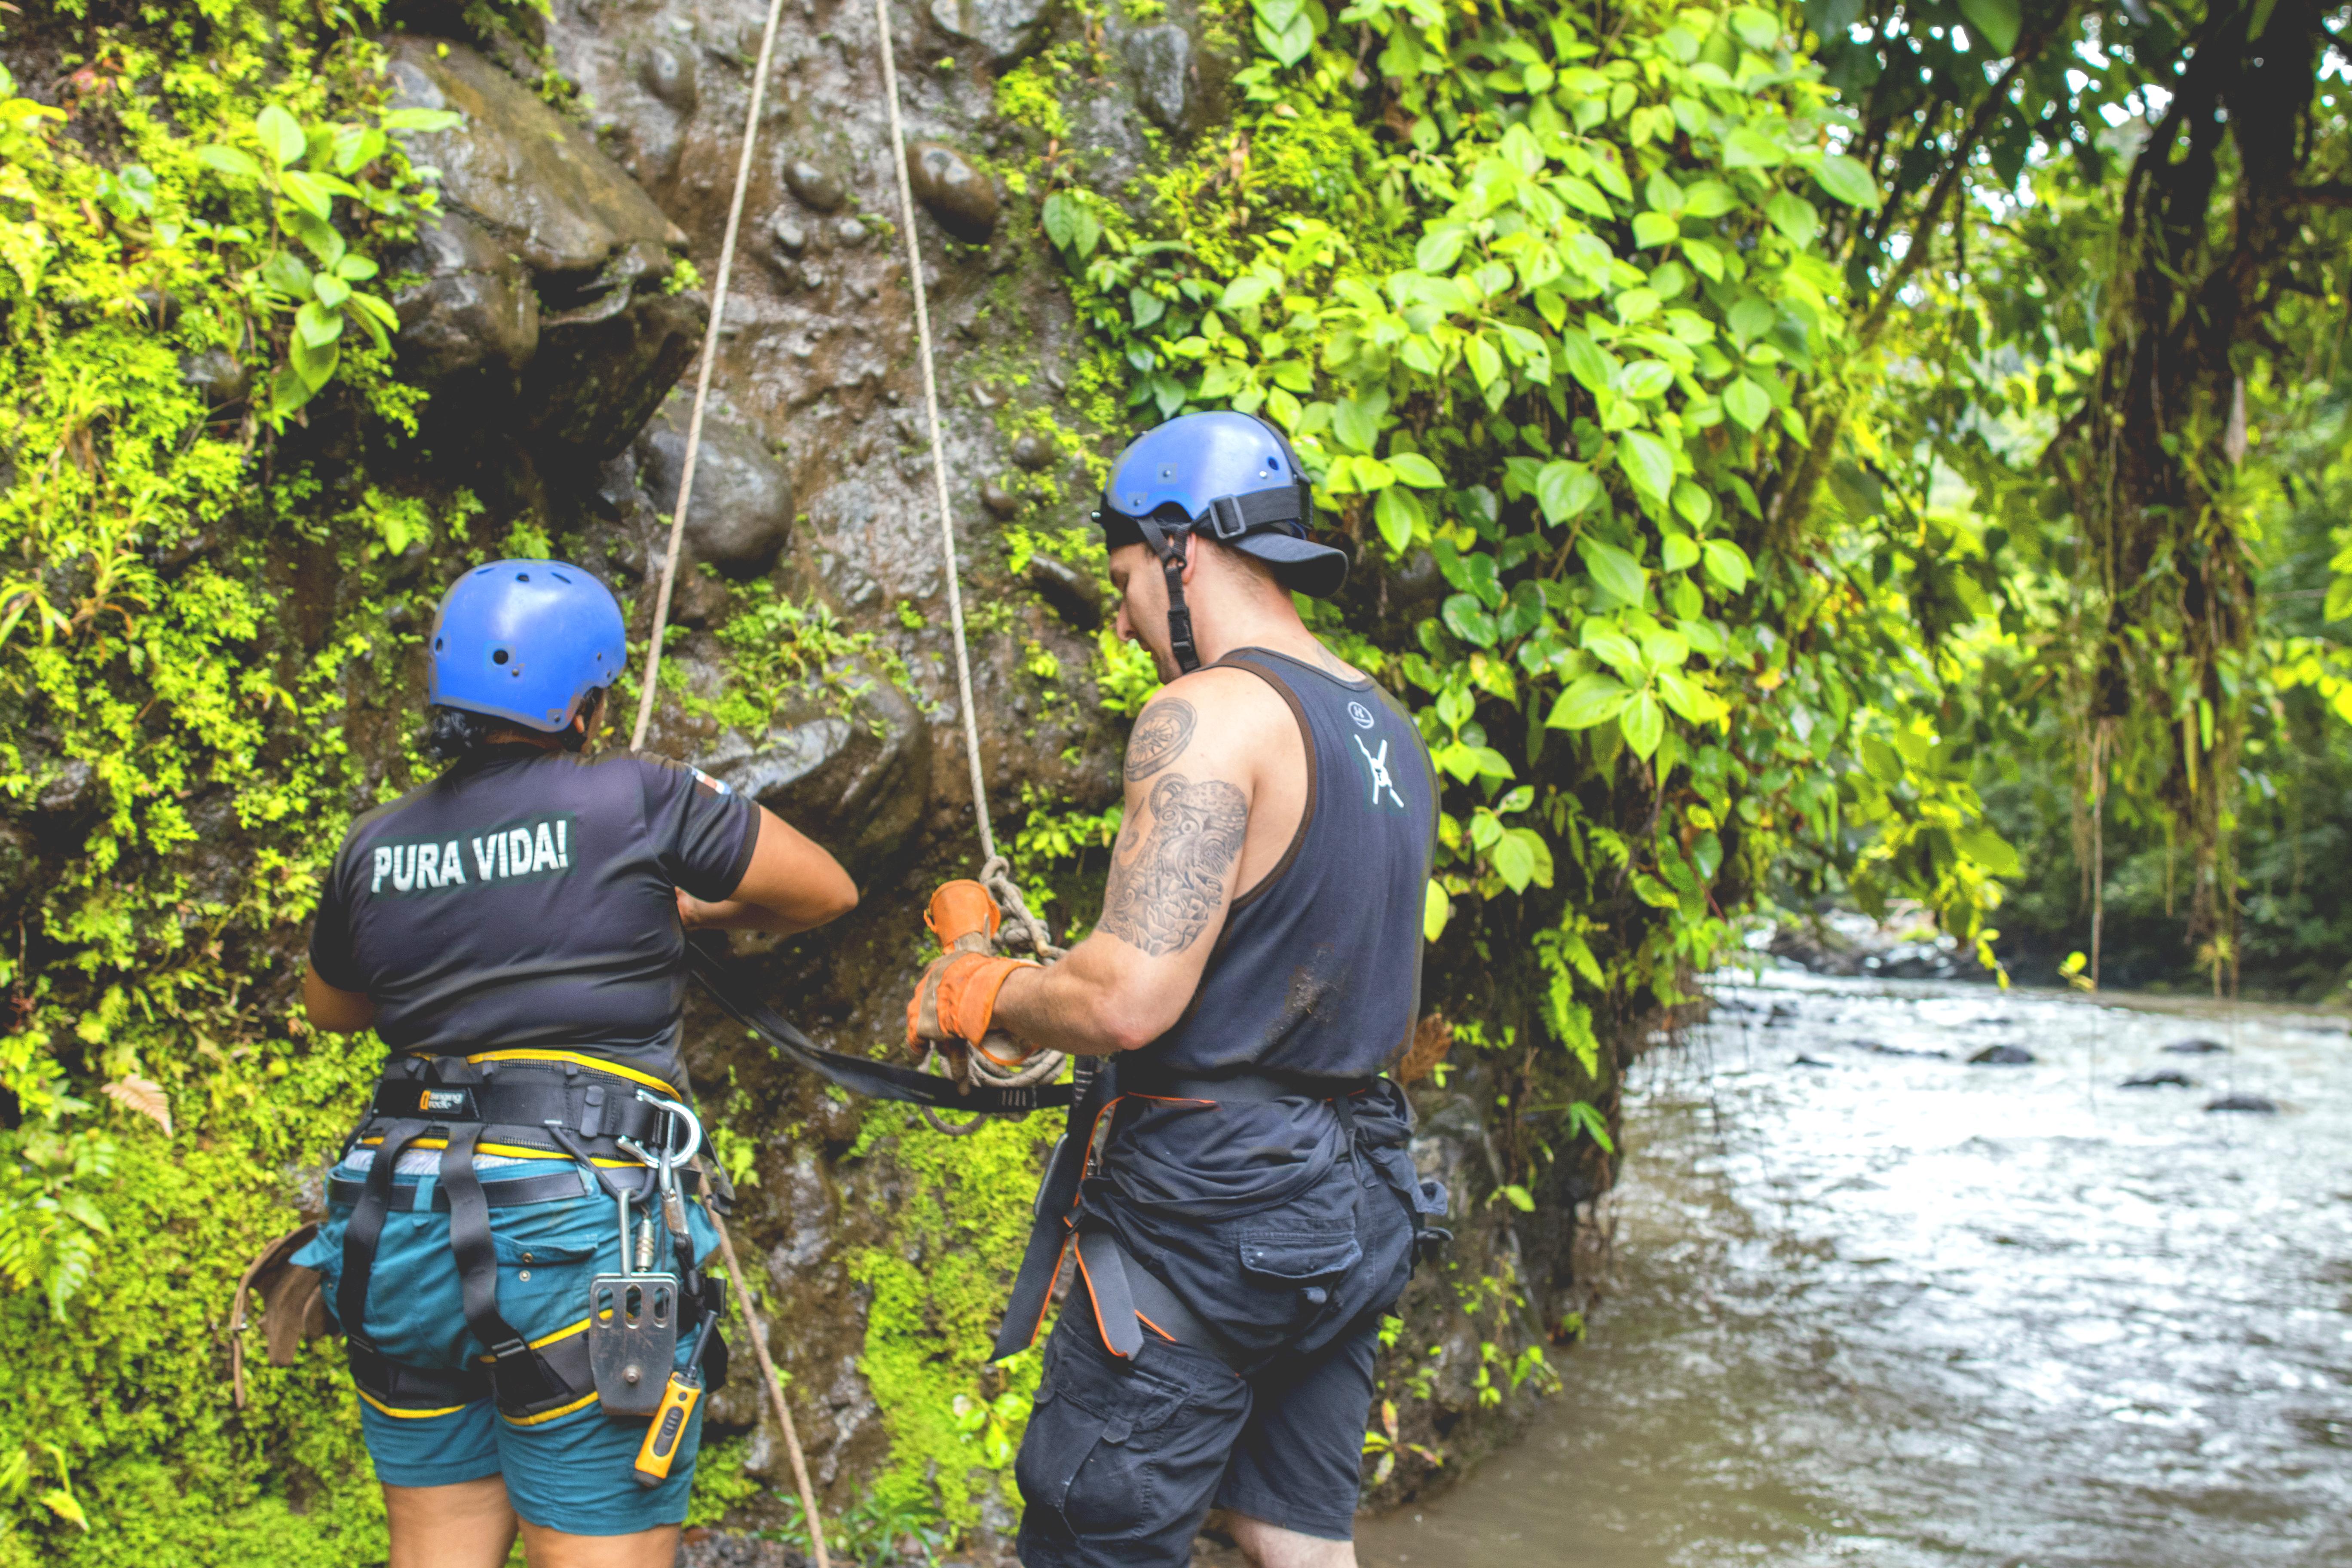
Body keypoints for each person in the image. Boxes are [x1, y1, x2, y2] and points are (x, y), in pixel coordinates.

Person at [907, 412, 1446, 1568]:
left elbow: (1127, 1000)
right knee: (1294, 1539)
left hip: (1218, 1211)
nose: (1121, 619)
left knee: (1090, 1538)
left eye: (1122, 583)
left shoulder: (1208, 712)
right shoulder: (1388, 729)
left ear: (1177, 547)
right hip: (1359, 1195)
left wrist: (984, 989)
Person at [297, 559, 857, 1568]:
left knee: (435, 1551)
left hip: (401, 1220)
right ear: (588, 702)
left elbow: (333, 1009)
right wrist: (683, 907)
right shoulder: (637, 799)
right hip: (570, 1226)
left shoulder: (373, 845)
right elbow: (823, 889)